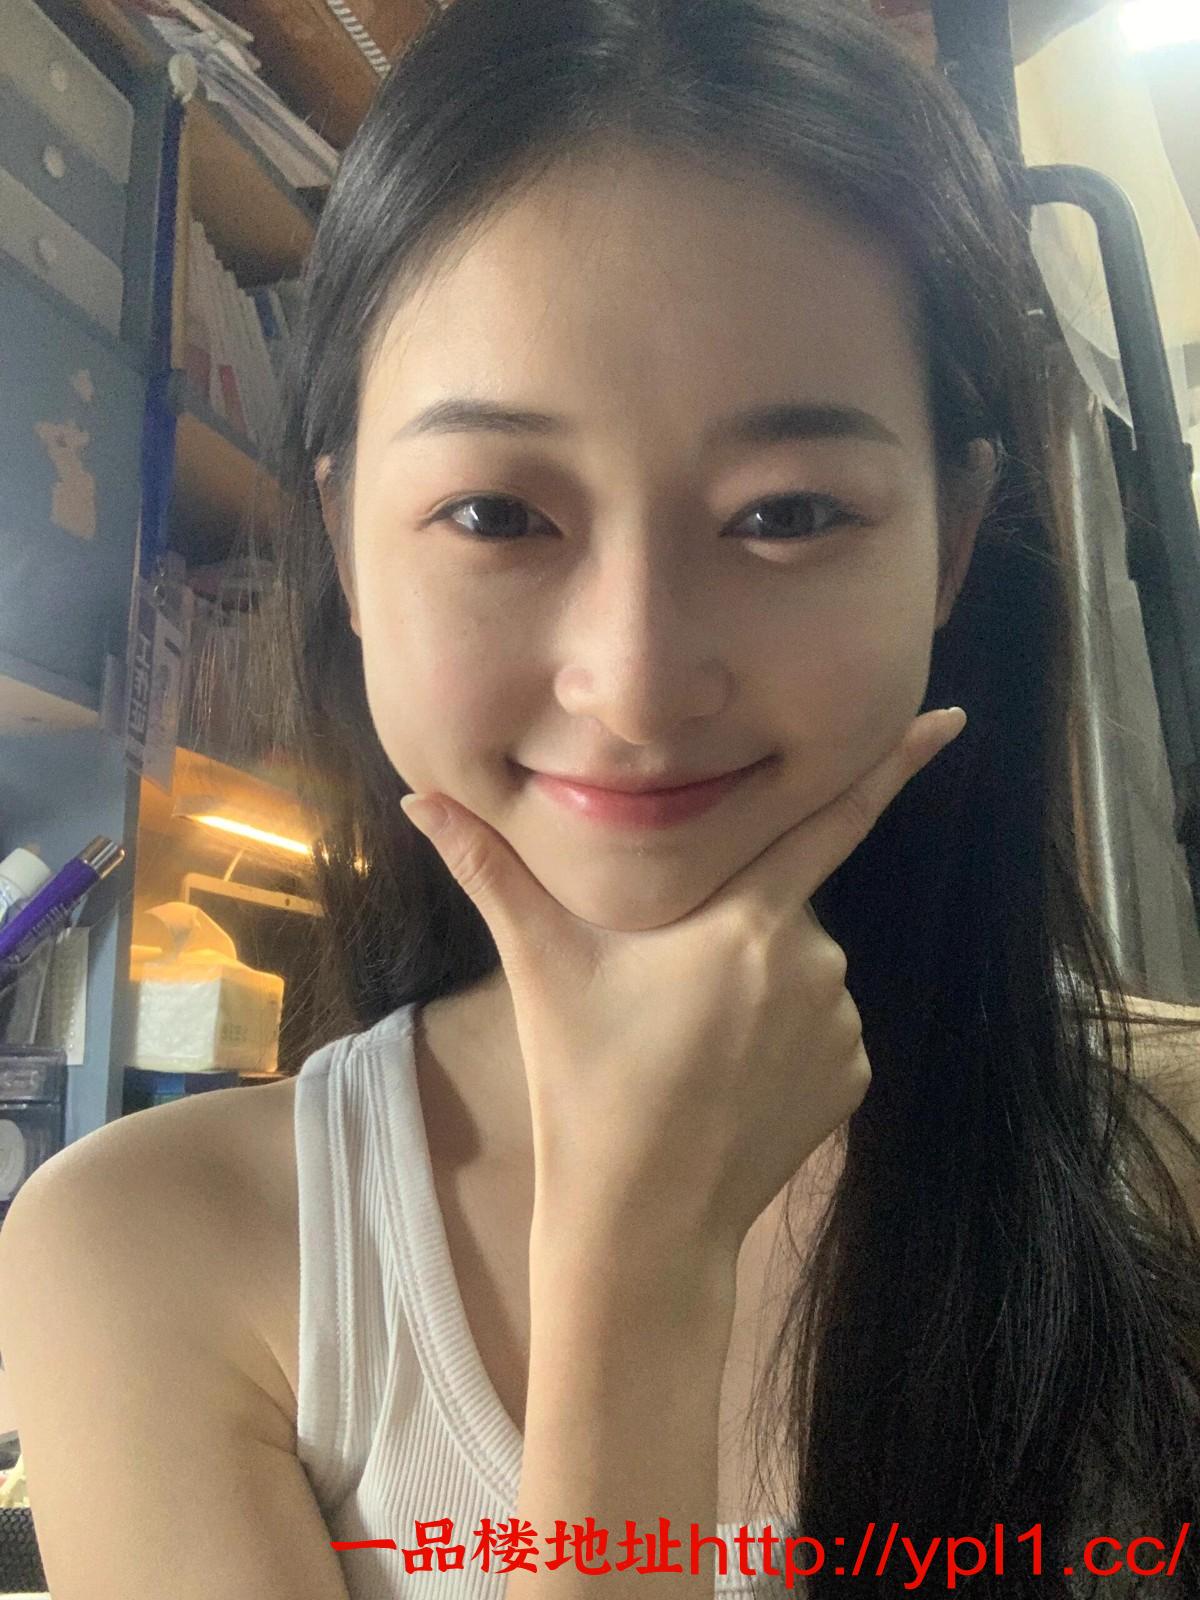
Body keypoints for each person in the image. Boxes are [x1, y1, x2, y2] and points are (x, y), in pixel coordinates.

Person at [2, 0, 1199, 1595]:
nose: (633, 684)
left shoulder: (1168, 1155)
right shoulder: (139, 1247)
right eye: (498, 513)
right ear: (347, 543)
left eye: (788, 513)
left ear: (954, 544)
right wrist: (635, 1270)